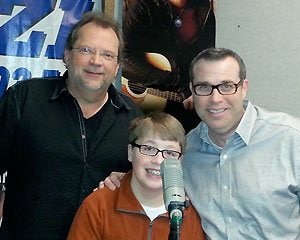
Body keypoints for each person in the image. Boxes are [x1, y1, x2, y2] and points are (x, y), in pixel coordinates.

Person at [102, 47, 300, 239]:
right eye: (204, 87)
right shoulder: (185, 152)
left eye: (226, 86)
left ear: (243, 88)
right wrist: (126, 180)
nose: (215, 98)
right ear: (192, 91)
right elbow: (154, 174)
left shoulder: (290, 140)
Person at [0, 11, 142, 239]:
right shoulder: (24, 99)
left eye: (107, 55)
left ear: (116, 67)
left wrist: (129, 181)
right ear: (66, 55)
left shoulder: (133, 117)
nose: (96, 61)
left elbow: (144, 187)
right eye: (86, 50)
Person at [67, 112, 206, 240]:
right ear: (130, 152)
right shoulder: (98, 207)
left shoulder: (189, 215)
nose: (158, 161)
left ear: (180, 161)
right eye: (149, 149)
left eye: (170, 153)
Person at [122, 0, 216, 132]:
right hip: (146, 106)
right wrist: (170, 79)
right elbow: (123, 56)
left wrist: (198, 89)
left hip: (185, 107)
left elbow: (208, 61)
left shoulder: (205, 13)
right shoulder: (143, 7)